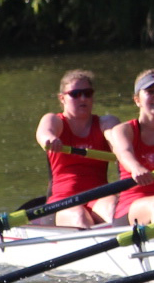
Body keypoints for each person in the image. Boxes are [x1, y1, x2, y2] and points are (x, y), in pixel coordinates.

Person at [36, 69, 120, 228]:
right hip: (62, 200)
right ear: (62, 98)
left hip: (99, 197)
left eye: (87, 93)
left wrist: (120, 148)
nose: (83, 98)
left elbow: (116, 139)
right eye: (75, 94)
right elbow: (44, 134)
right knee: (80, 217)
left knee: (113, 211)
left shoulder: (105, 122)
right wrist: (50, 139)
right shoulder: (54, 120)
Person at [107, 69, 154, 226]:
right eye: (151, 91)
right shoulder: (123, 130)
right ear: (137, 100)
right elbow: (124, 152)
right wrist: (136, 167)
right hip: (130, 209)